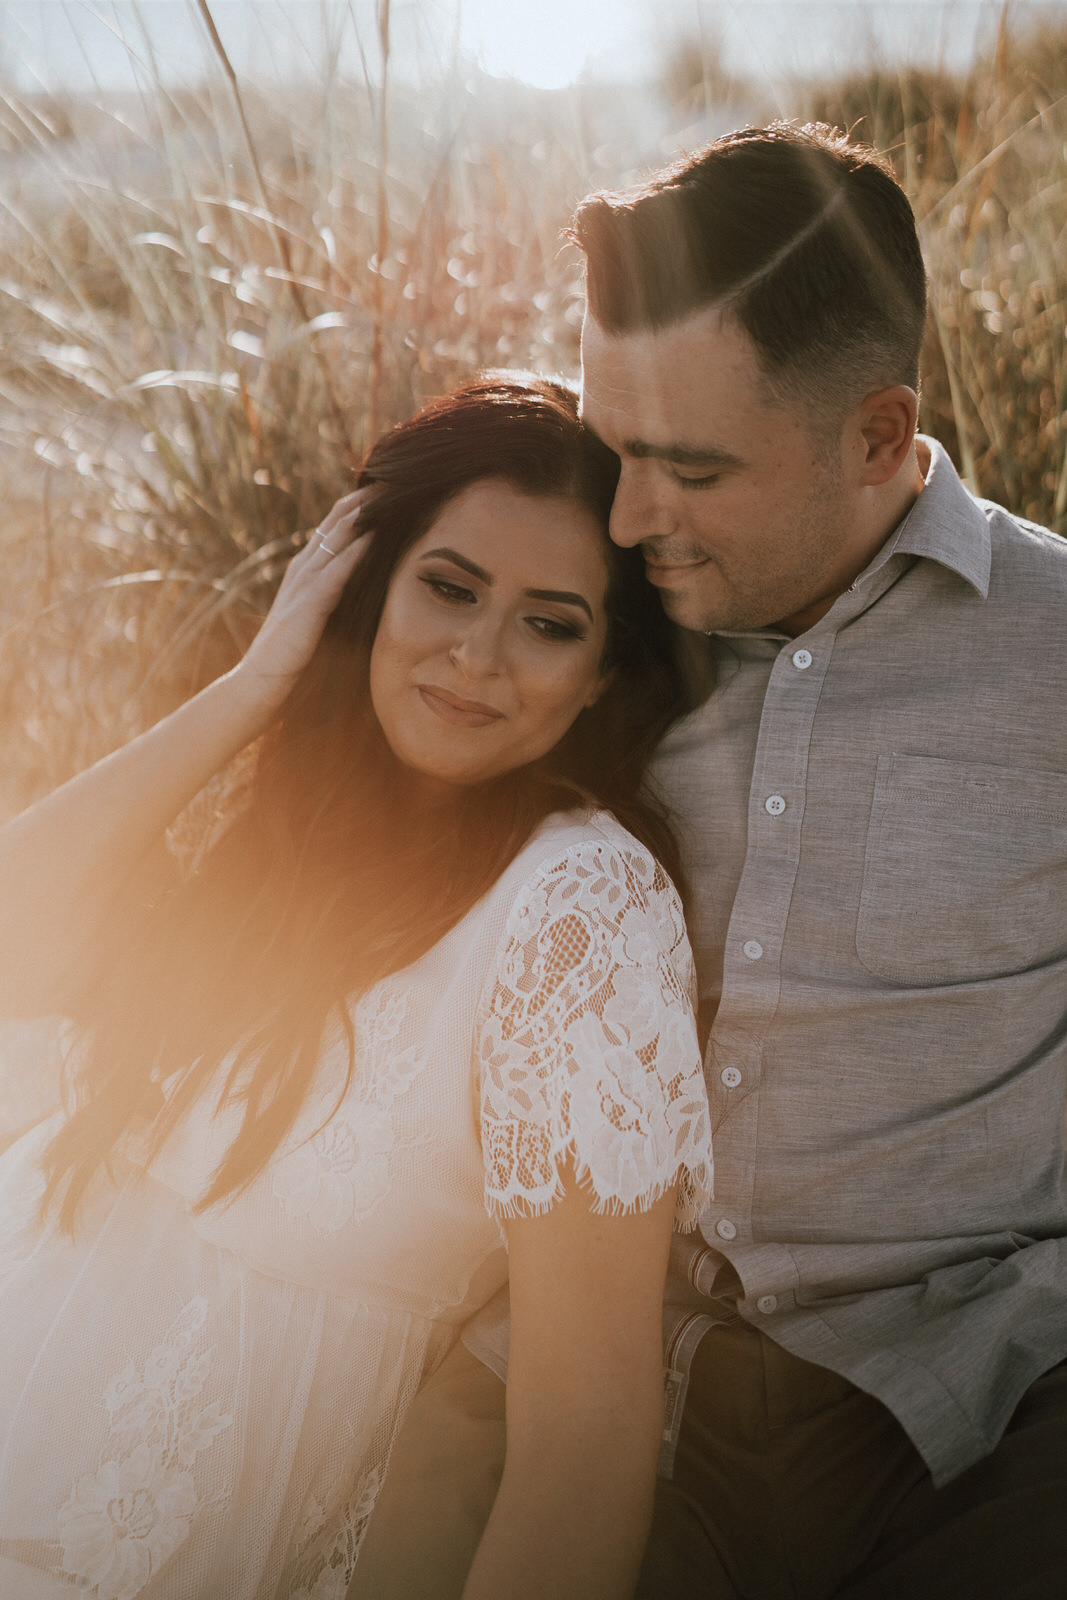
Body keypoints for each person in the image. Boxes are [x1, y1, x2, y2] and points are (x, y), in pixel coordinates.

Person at [350, 125, 1067, 1599]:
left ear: (875, 436)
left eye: (687, 470)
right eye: (611, 447)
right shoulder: (571, 615)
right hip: (571, 1350)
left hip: (959, 1395)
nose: (622, 518)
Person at [0, 375, 715, 1600]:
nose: (476, 657)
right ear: (364, 583)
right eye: (447, 586)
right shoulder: (289, 829)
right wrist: (253, 683)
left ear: (603, 672)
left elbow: (583, 1442)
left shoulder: (580, 910)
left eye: (550, 624)